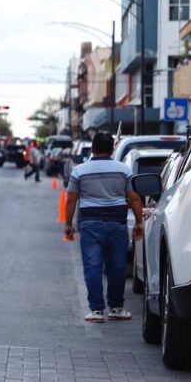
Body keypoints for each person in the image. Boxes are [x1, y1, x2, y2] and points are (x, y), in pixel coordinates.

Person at [64, 132, 143, 323]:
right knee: (117, 267)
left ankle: (96, 310)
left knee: (93, 266)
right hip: (117, 223)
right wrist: (139, 222)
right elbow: (133, 197)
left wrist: (68, 224)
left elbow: (71, 199)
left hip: (90, 224)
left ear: (92, 149)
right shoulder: (123, 170)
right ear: (112, 149)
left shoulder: (79, 171)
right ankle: (116, 308)